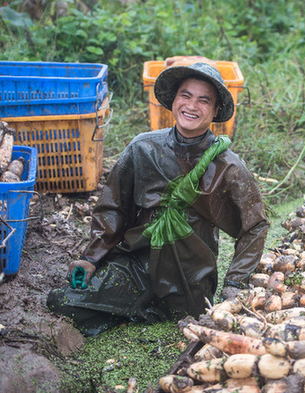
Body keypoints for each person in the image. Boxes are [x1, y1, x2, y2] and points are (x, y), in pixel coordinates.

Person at [47, 62, 269, 336]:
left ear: (214, 111)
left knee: (189, 316)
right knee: (65, 302)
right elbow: (113, 207)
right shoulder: (143, 148)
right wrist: (91, 258)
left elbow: (255, 226)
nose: (192, 105)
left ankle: (134, 310)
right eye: (185, 95)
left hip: (190, 276)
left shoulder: (228, 166)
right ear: (174, 100)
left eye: (204, 100)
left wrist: (235, 283)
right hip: (136, 263)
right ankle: (132, 305)